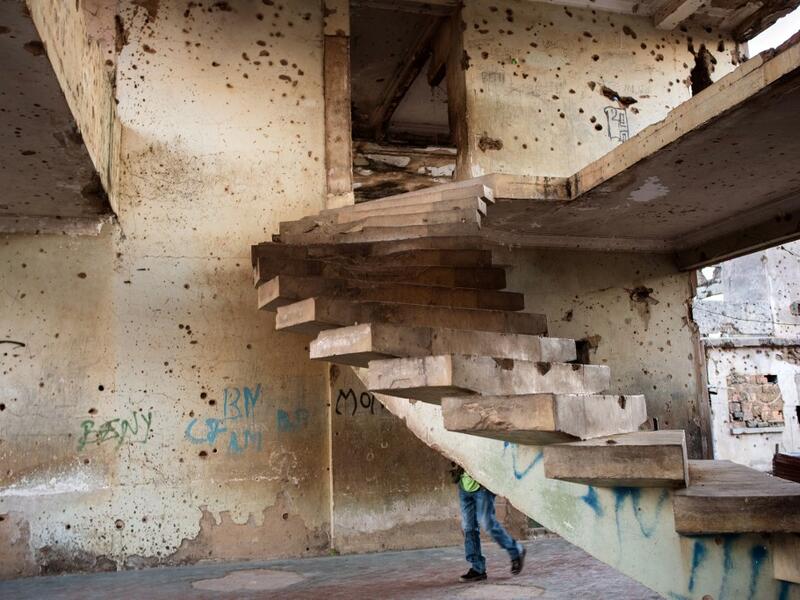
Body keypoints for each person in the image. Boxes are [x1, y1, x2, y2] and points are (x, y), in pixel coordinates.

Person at [450, 463, 526, 582]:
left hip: (483, 487)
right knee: (468, 527)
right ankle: (477, 569)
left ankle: (516, 550)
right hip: (464, 486)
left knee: (487, 523)